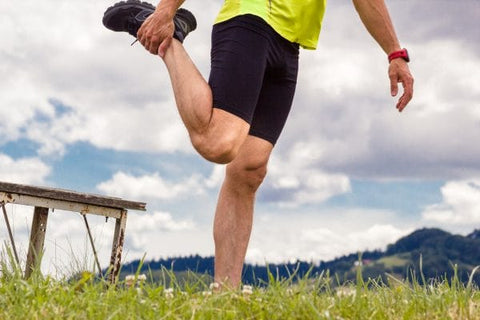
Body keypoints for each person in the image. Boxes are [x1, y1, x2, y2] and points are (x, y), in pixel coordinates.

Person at [103, 0, 414, 289]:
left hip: (290, 44)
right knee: (218, 144)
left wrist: (394, 53)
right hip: (249, 20)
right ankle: (171, 40)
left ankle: (226, 293)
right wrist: (166, 11)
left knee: (249, 169)